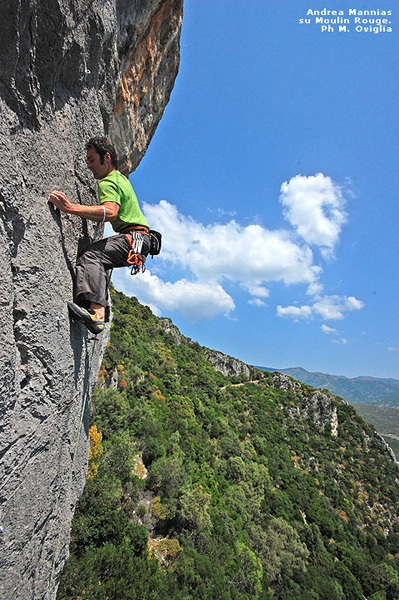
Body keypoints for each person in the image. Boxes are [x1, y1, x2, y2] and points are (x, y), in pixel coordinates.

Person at [49, 136, 150, 334]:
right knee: (101, 261)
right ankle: (102, 310)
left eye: (92, 159)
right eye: (87, 160)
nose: (89, 166)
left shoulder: (108, 181)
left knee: (92, 256)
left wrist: (70, 208)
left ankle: (97, 315)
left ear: (107, 157)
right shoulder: (121, 178)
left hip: (134, 236)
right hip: (140, 239)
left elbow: (110, 212)